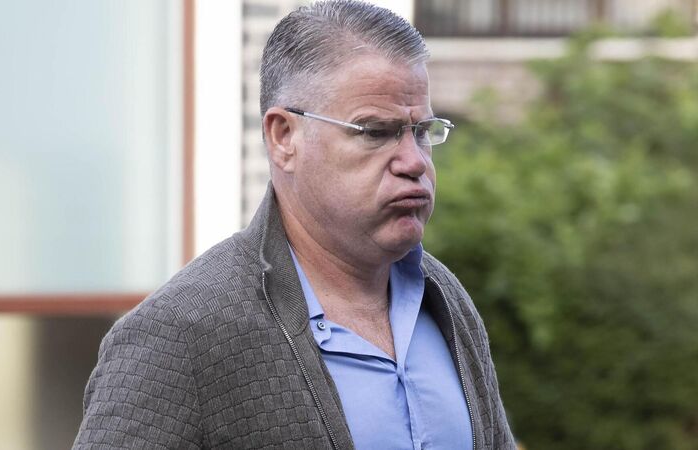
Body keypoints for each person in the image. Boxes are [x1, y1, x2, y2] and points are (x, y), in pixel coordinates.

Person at [74, 1, 514, 448]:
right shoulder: (180, 334)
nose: (414, 162)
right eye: (375, 132)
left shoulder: (444, 299)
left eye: (422, 131)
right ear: (283, 136)